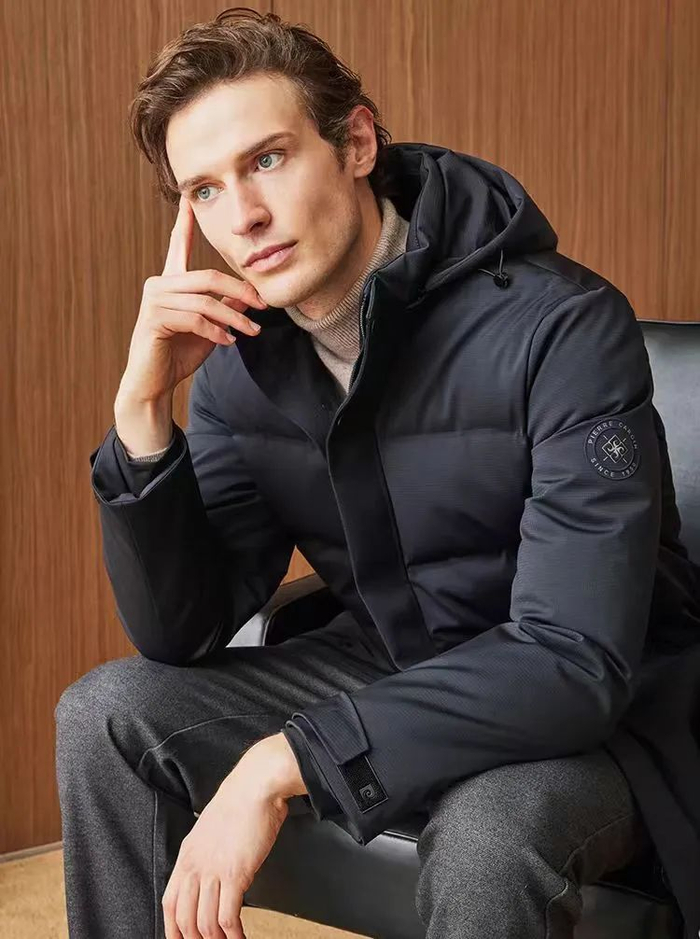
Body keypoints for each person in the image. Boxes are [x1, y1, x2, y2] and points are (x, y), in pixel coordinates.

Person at [54, 7, 700, 939]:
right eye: (205, 189)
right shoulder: (241, 364)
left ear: (356, 142)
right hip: (390, 658)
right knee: (106, 714)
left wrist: (284, 759)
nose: (243, 216)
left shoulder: (564, 328)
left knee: (487, 834)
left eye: (268, 159)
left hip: (604, 711)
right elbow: (181, 630)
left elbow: (574, 660)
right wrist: (142, 416)